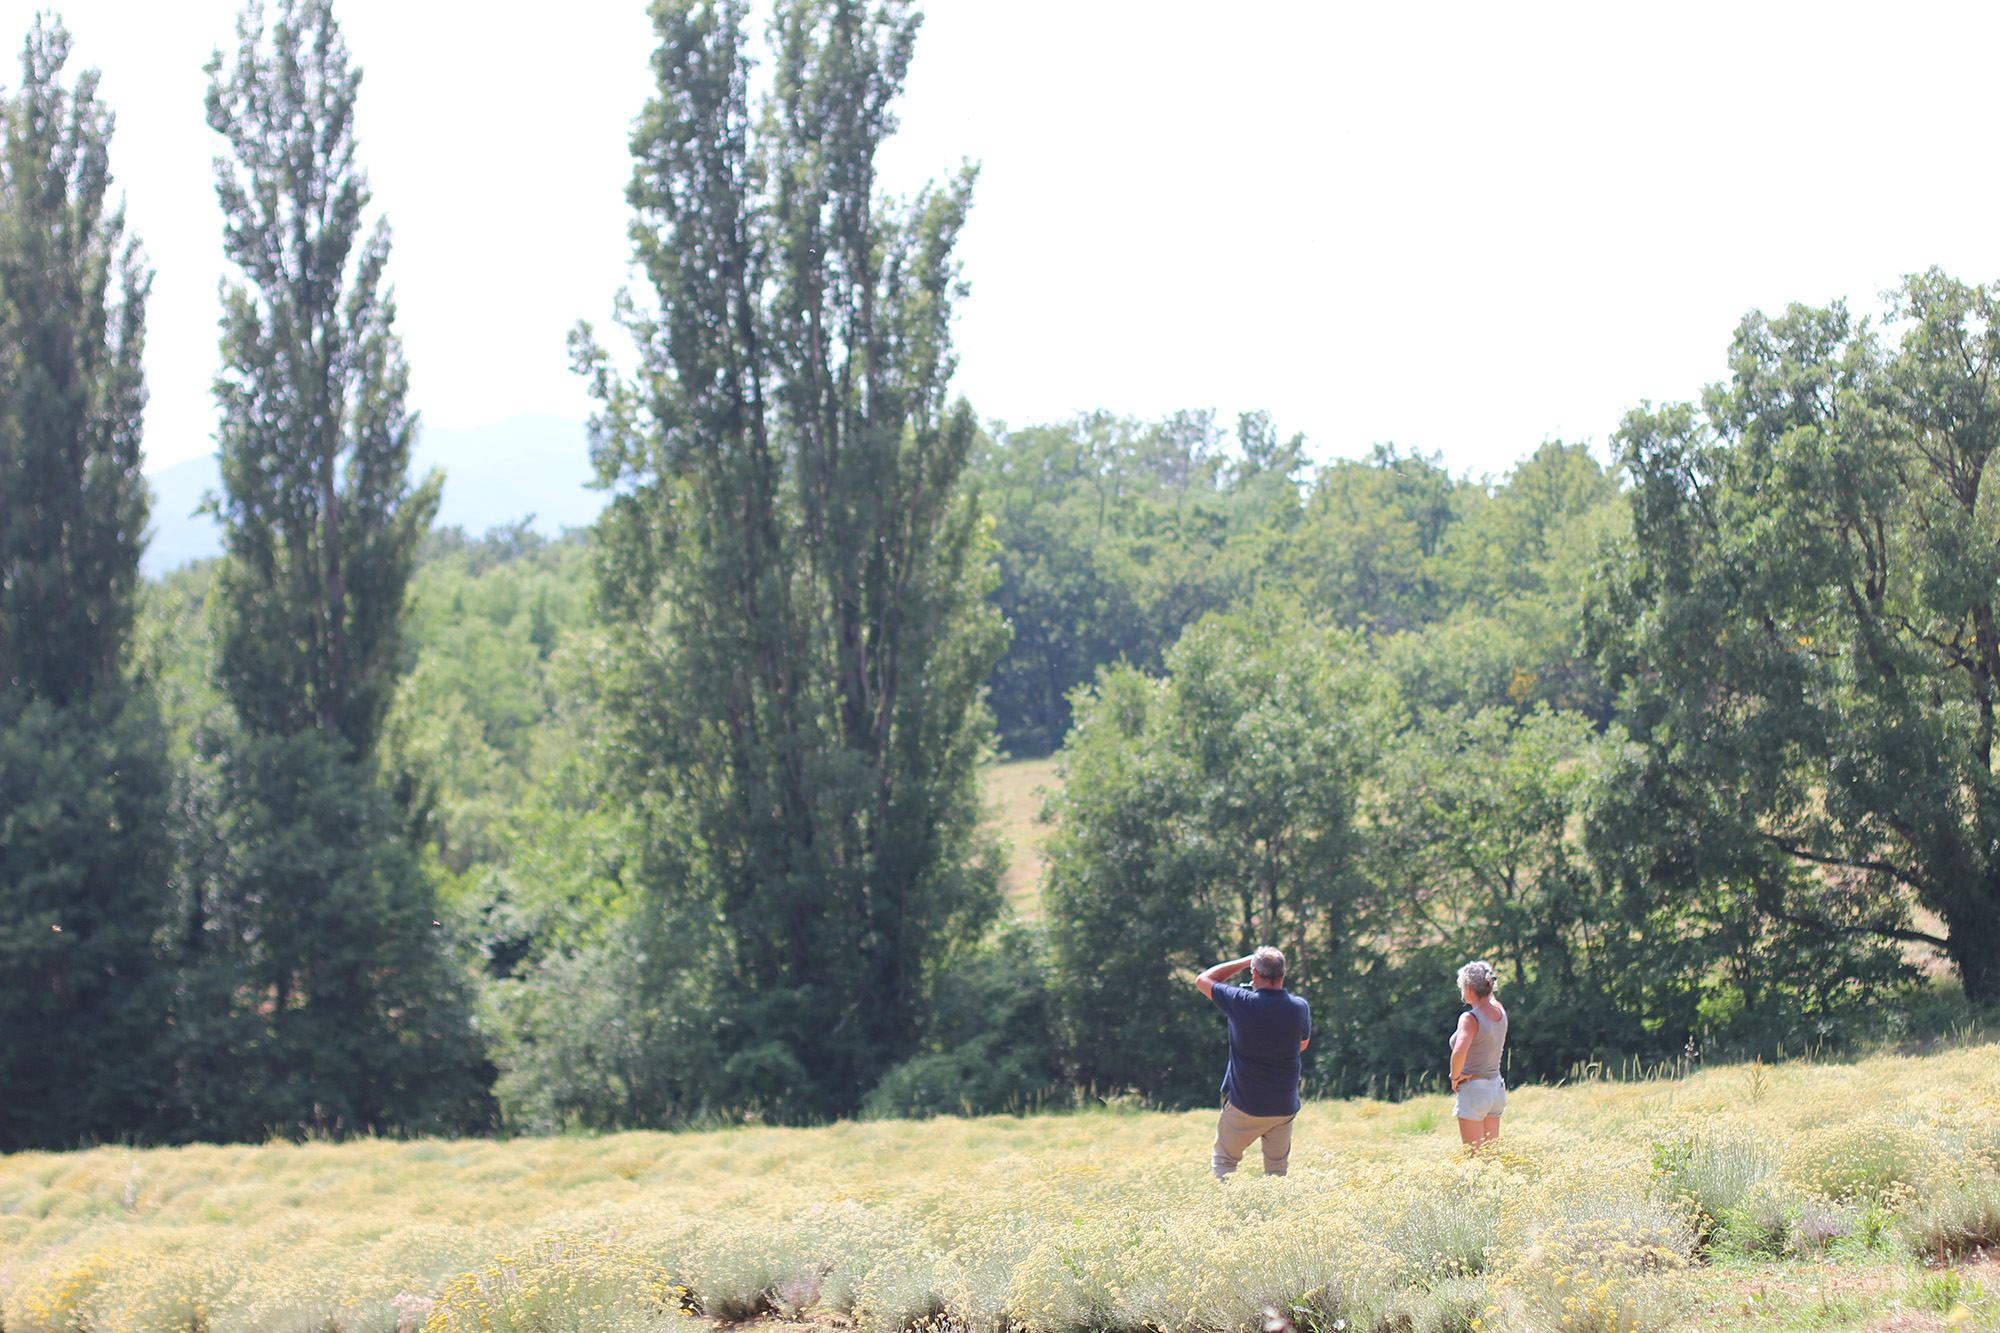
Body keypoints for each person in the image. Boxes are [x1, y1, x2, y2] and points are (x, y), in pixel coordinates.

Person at [1193, 945, 1312, 1178]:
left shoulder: (1241, 1002)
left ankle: (1231, 1213)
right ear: (1283, 974)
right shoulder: (1299, 1007)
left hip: (1245, 1104)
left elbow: (1203, 979)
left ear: (1254, 973)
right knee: (1277, 1171)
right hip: (1283, 1105)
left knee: (1225, 1162)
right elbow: (1302, 1046)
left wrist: (1245, 961)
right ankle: (1278, 1213)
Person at [1448, 959, 1507, 1149]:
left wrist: (1454, 1077)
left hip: (1474, 1090)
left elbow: (1459, 1052)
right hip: (1496, 1088)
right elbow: (1491, 998)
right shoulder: (1499, 1011)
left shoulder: (1469, 1018)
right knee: (1490, 1157)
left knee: (1474, 1158)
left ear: (1469, 989)